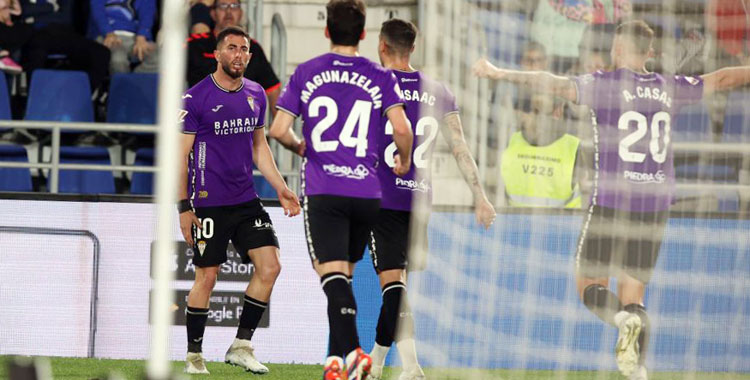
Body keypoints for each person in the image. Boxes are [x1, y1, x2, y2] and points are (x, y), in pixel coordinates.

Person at [474, 20, 750, 380]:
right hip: (655, 203)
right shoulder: (671, 87)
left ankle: (620, 321)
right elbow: (723, 78)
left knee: (588, 285)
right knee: (635, 294)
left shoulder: (604, 85)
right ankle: (638, 372)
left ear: (618, 47)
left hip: (612, 199)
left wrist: (499, 72)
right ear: (650, 53)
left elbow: (552, 84)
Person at [268, 1, 413, 379]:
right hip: (367, 193)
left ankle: (354, 353)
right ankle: (335, 363)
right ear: (364, 34)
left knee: (332, 278)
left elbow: (278, 130)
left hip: (325, 189)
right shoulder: (380, 75)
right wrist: (403, 159)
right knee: (343, 278)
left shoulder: (307, 71)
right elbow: (402, 130)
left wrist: (301, 146)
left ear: (327, 30)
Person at [367, 19, 496, 380]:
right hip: (420, 200)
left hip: (382, 197)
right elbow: (459, 147)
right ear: (413, 47)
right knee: (398, 285)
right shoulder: (437, 89)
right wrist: (481, 197)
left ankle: (394, 366)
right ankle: (393, 365)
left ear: (382, 45)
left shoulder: (374, 84)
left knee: (393, 286)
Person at [178, 26, 301, 375]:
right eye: (231, 48)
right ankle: (194, 356)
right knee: (207, 277)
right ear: (217, 54)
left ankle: (241, 346)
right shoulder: (195, 98)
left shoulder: (256, 93)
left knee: (271, 266)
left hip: (246, 199)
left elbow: (259, 147)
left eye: (243, 49)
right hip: (208, 202)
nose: (238, 54)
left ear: (249, 55)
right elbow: (179, 158)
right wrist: (184, 207)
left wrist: (280, 187)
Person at [187, 0, 281, 116]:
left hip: (241, 123)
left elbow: (273, 88)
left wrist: (279, 126)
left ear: (241, 13)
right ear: (213, 13)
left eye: (234, 6)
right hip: (201, 122)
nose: (228, 11)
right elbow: (169, 80)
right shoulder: (195, 45)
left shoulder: (253, 48)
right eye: (223, 6)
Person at [501, 91, 583, 208]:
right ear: (558, 111)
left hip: (520, 221)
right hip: (563, 222)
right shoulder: (573, 147)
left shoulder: (511, 142)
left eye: (536, 111)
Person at [88, 0, 159, 74]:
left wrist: (142, 36)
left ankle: (132, 81)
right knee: (118, 59)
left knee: (160, 58)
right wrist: (108, 33)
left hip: (136, 36)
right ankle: (122, 83)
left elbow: (147, 14)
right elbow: (97, 12)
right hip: (106, 35)